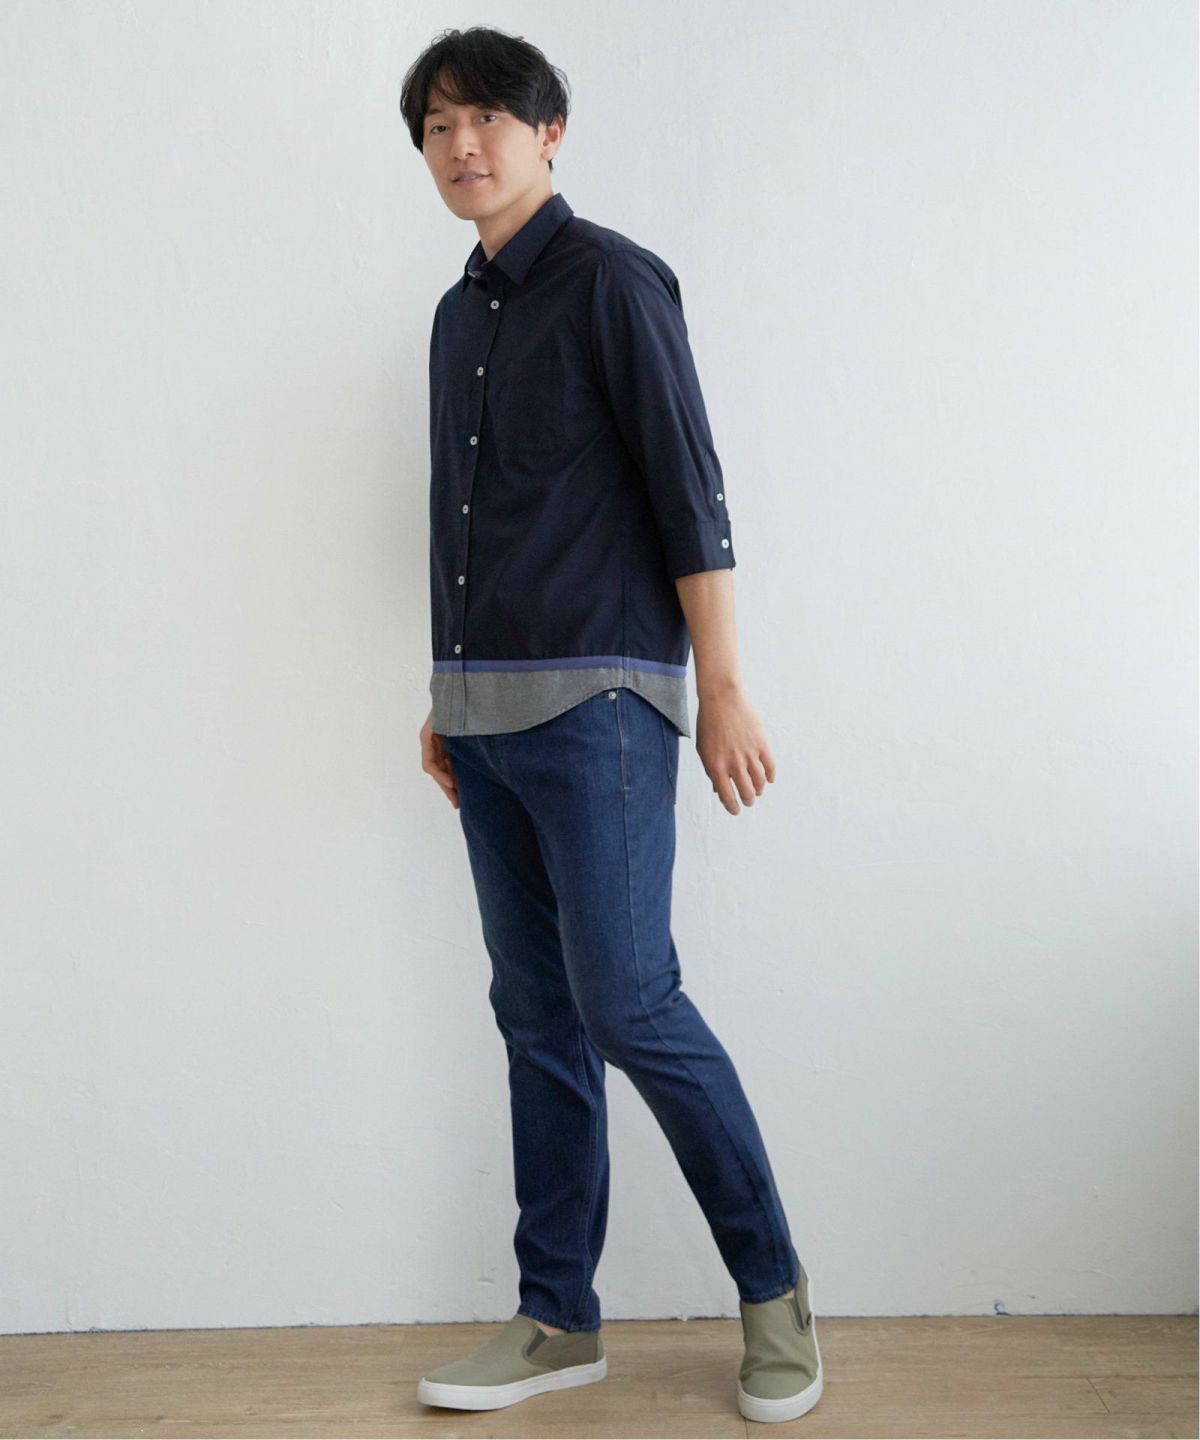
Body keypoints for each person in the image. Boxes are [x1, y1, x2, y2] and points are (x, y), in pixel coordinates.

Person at [400, 25, 823, 1424]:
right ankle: (556, 1318)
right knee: (535, 1017)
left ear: (550, 131)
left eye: (487, 118)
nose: (463, 145)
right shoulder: (456, 316)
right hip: (485, 721)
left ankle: (774, 1293)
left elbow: (690, 493)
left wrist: (724, 688)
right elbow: (463, 523)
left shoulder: (614, 282)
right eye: (439, 127)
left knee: (629, 1001)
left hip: (600, 710)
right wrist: (448, 694)